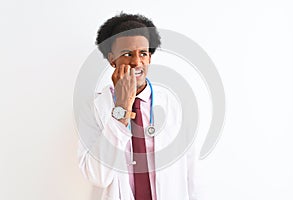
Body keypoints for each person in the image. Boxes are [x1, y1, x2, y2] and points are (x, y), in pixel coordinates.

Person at [78, 13, 201, 200]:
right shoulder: (93, 107)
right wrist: (121, 108)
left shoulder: (175, 105)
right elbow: (98, 177)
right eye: (127, 54)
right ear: (112, 59)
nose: (136, 62)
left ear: (149, 58)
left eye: (143, 53)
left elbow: (193, 175)